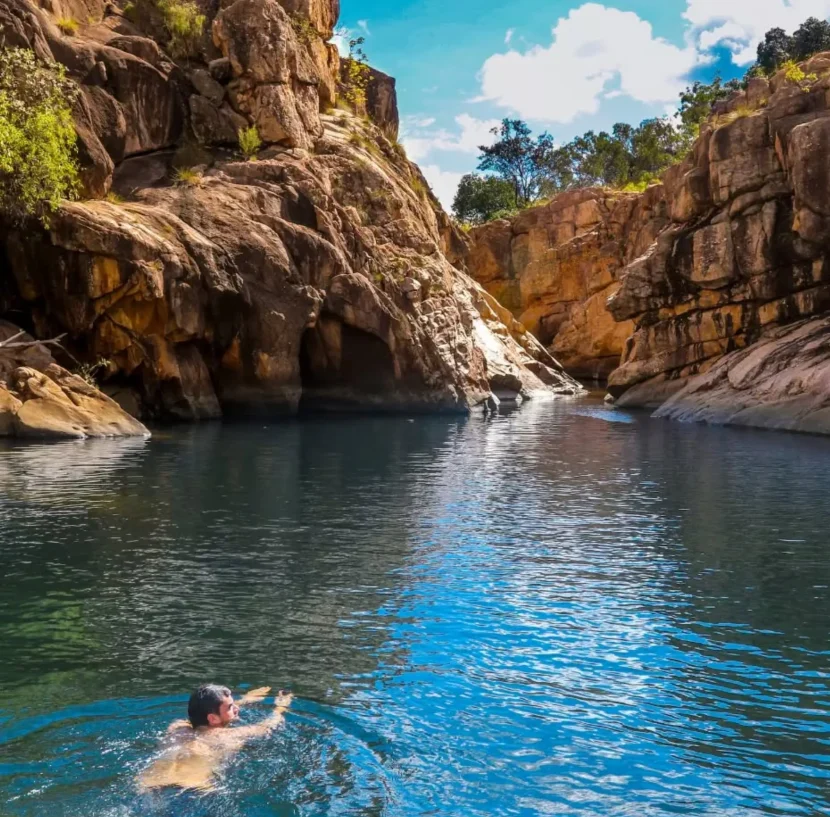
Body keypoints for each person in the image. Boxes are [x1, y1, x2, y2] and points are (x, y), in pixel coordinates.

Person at [138, 685, 292, 792]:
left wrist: (245, 699)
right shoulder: (225, 735)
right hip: (193, 790)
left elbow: (205, 715)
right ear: (213, 718)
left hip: (151, 785)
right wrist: (281, 707)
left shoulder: (176, 727)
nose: (236, 709)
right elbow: (268, 726)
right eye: (231, 707)